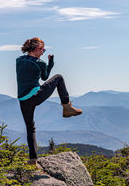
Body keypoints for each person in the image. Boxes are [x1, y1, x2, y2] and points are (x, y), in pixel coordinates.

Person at [16, 37, 82, 165]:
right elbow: (45, 77)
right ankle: (67, 106)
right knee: (59, 78)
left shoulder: (19, 60)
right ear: (37, 48)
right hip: (35, 95)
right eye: (42, 50)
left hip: (23, 99)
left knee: (30, 127)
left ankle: (33, 159)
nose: (43, 52)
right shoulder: (40, 63)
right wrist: (50, 64)